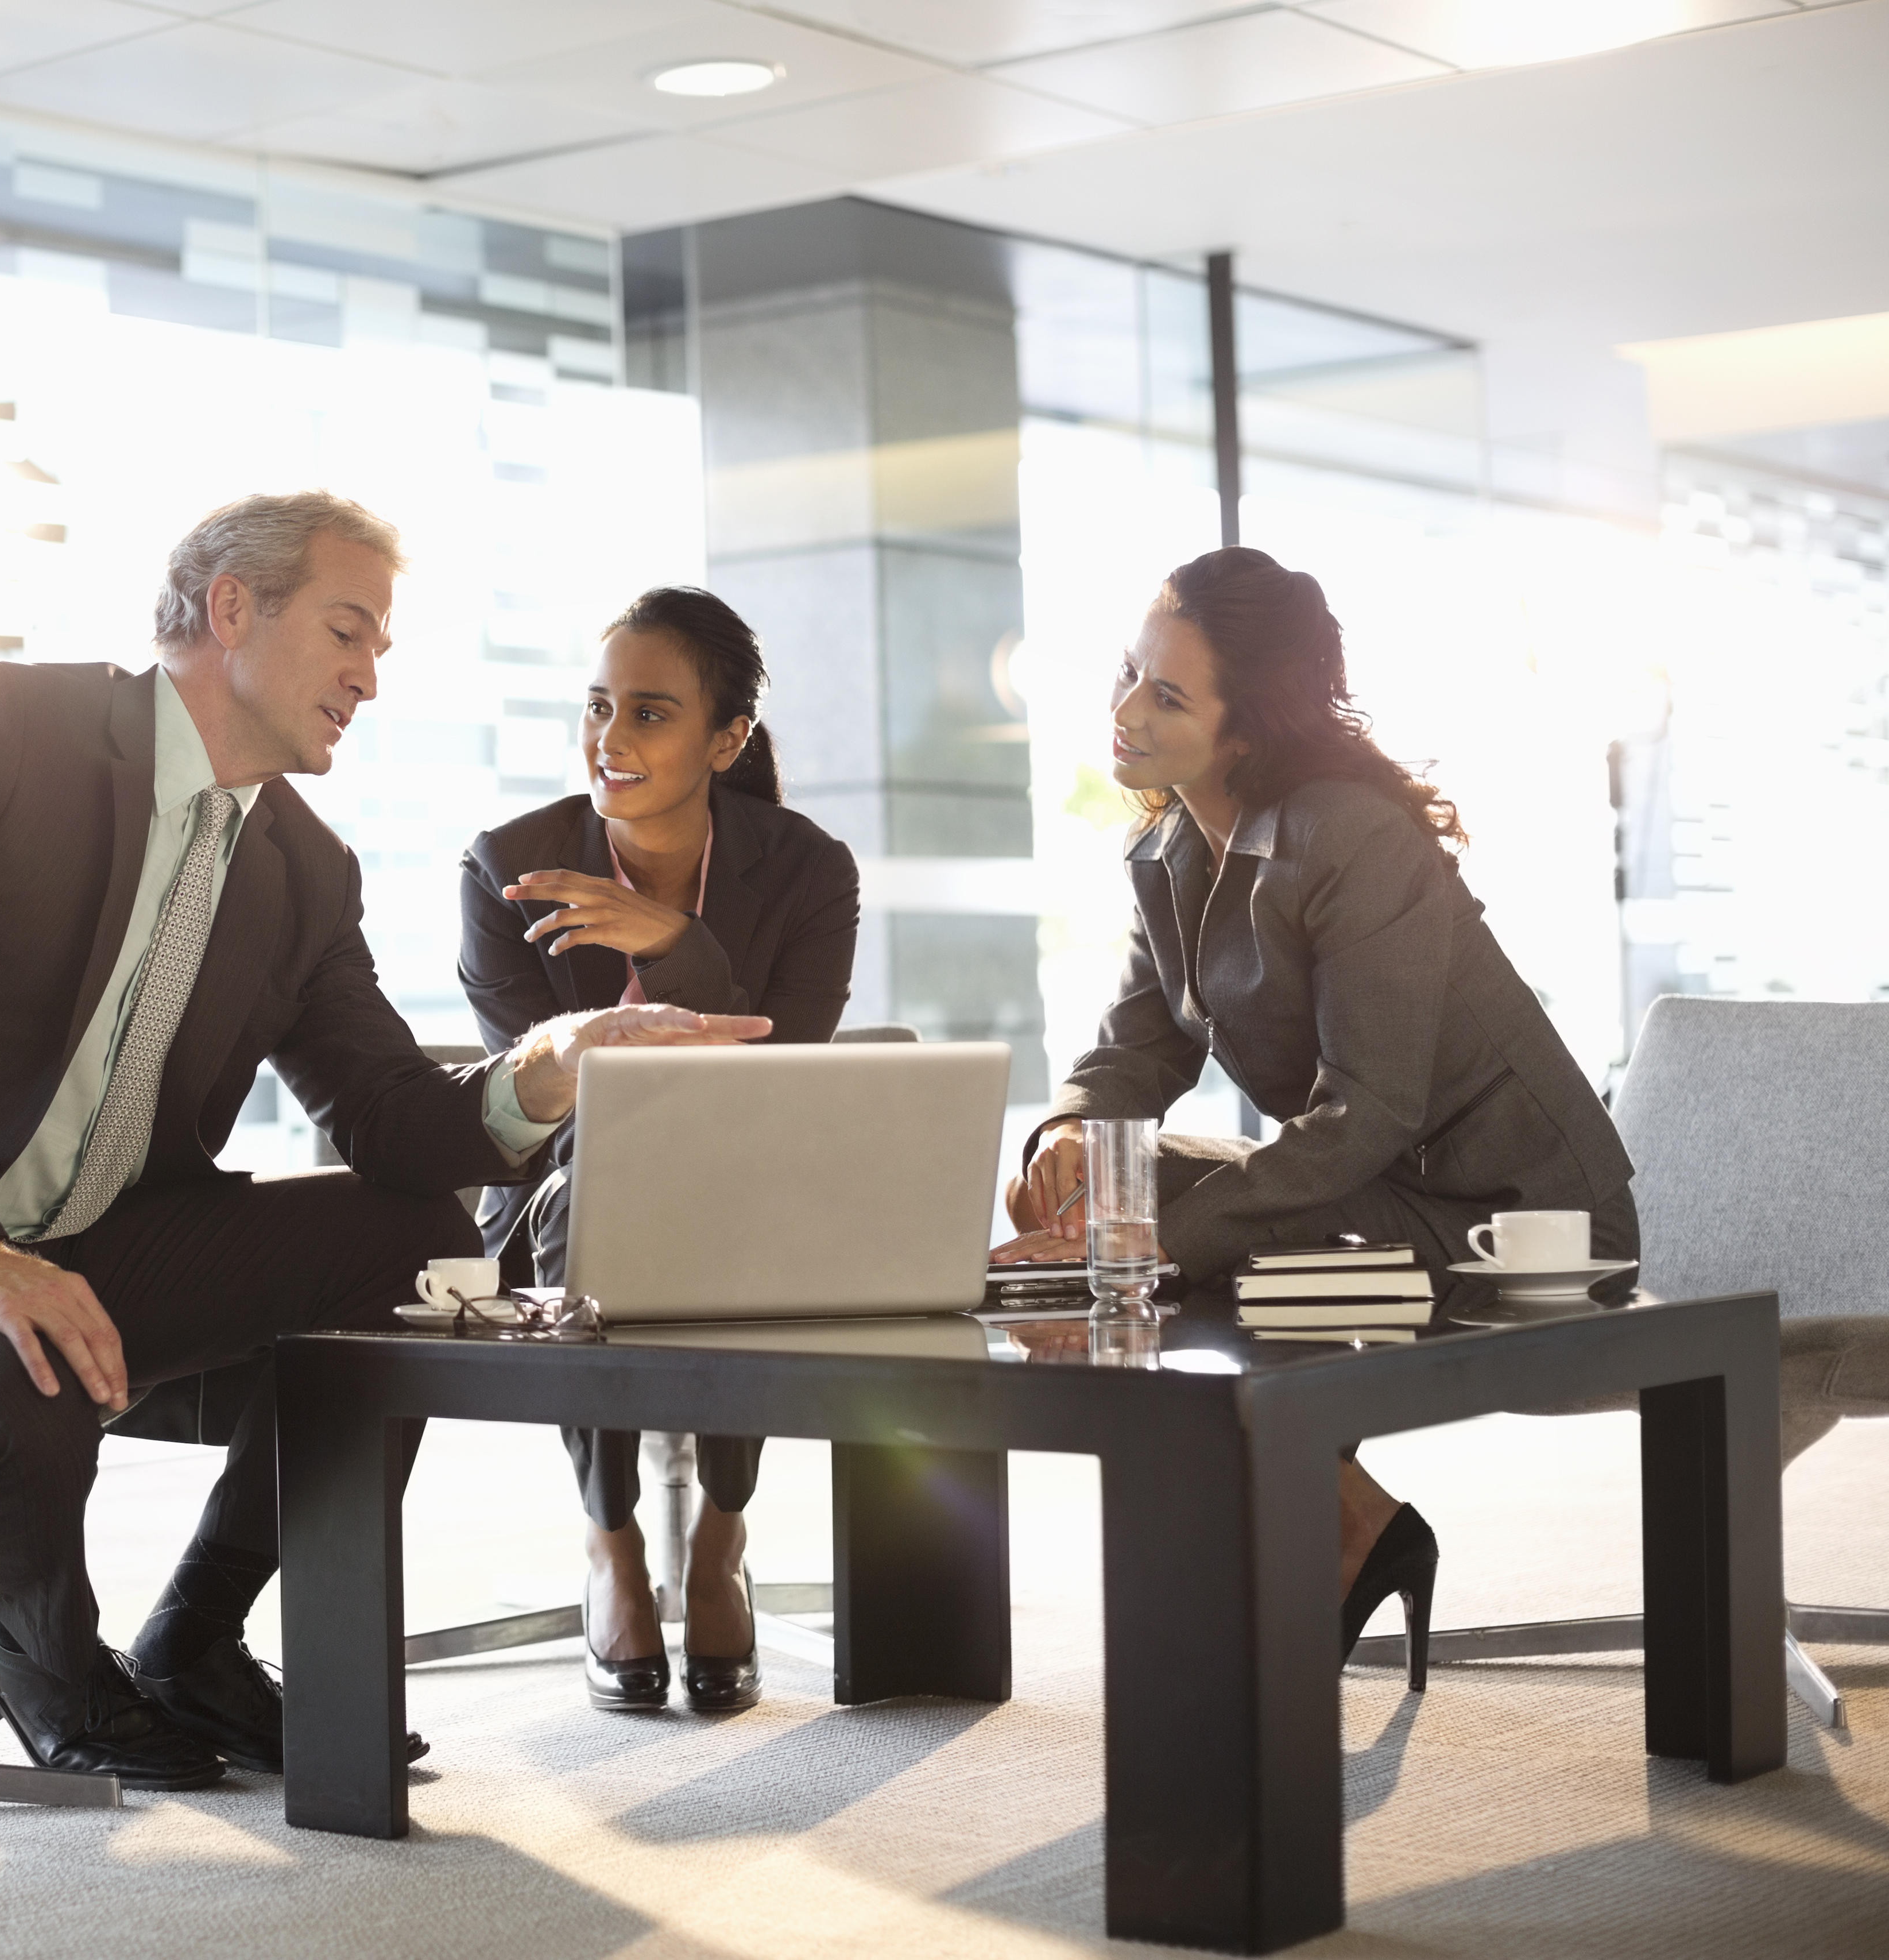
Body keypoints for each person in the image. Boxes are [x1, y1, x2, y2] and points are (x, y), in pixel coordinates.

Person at [0, 492, 769, 1790]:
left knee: (412, 1242)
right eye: (349, 632)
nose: (369, 675)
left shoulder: (301, 868)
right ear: (233, 608)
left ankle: (195, 1635)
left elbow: (391, 1119)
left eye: (381, 650)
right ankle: (40, 1653)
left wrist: (546, 1070)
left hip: (90, 1243)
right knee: (14, 1371)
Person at [990, 545, 1637, 1677]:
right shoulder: (1173, 847)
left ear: (1247, 729)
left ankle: (1316, 1530)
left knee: (1173, 1237)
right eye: (1128, 672)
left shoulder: (1351, 838)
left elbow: (1366, 1112)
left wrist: (1148, 1233)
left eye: (1168, 692)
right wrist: (1069, 1140)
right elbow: (1135, 1046)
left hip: (1519, 1218)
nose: (1124, 707)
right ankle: (1349, 1524)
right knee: (1126, 1187)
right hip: (1382, 1188)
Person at [459, 587, 860, 1715]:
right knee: (608, 1188)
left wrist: (680, 948)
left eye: (648, 713)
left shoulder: (807, 870)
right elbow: (535, 1105)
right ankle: (612, 1541)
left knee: (736, 1185)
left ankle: (721, 1532)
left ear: (725, 740)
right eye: (596, 708)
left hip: (750, 1177)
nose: (609, 740)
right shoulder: (507, 868)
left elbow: (779, 1072)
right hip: (556, 1197)